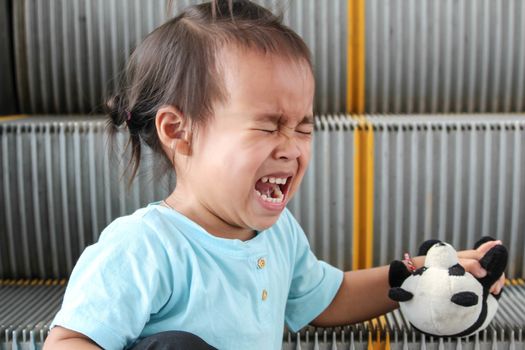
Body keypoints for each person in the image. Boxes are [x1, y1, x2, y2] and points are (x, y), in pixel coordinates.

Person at [43, 1, 505, 349]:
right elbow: (68, 340)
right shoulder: (142, 246)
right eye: (268, 125)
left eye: (304, 127)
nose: (291, 147)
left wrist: (424, 274)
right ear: (178, 132)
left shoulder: (278, 234)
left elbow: (331, 297)